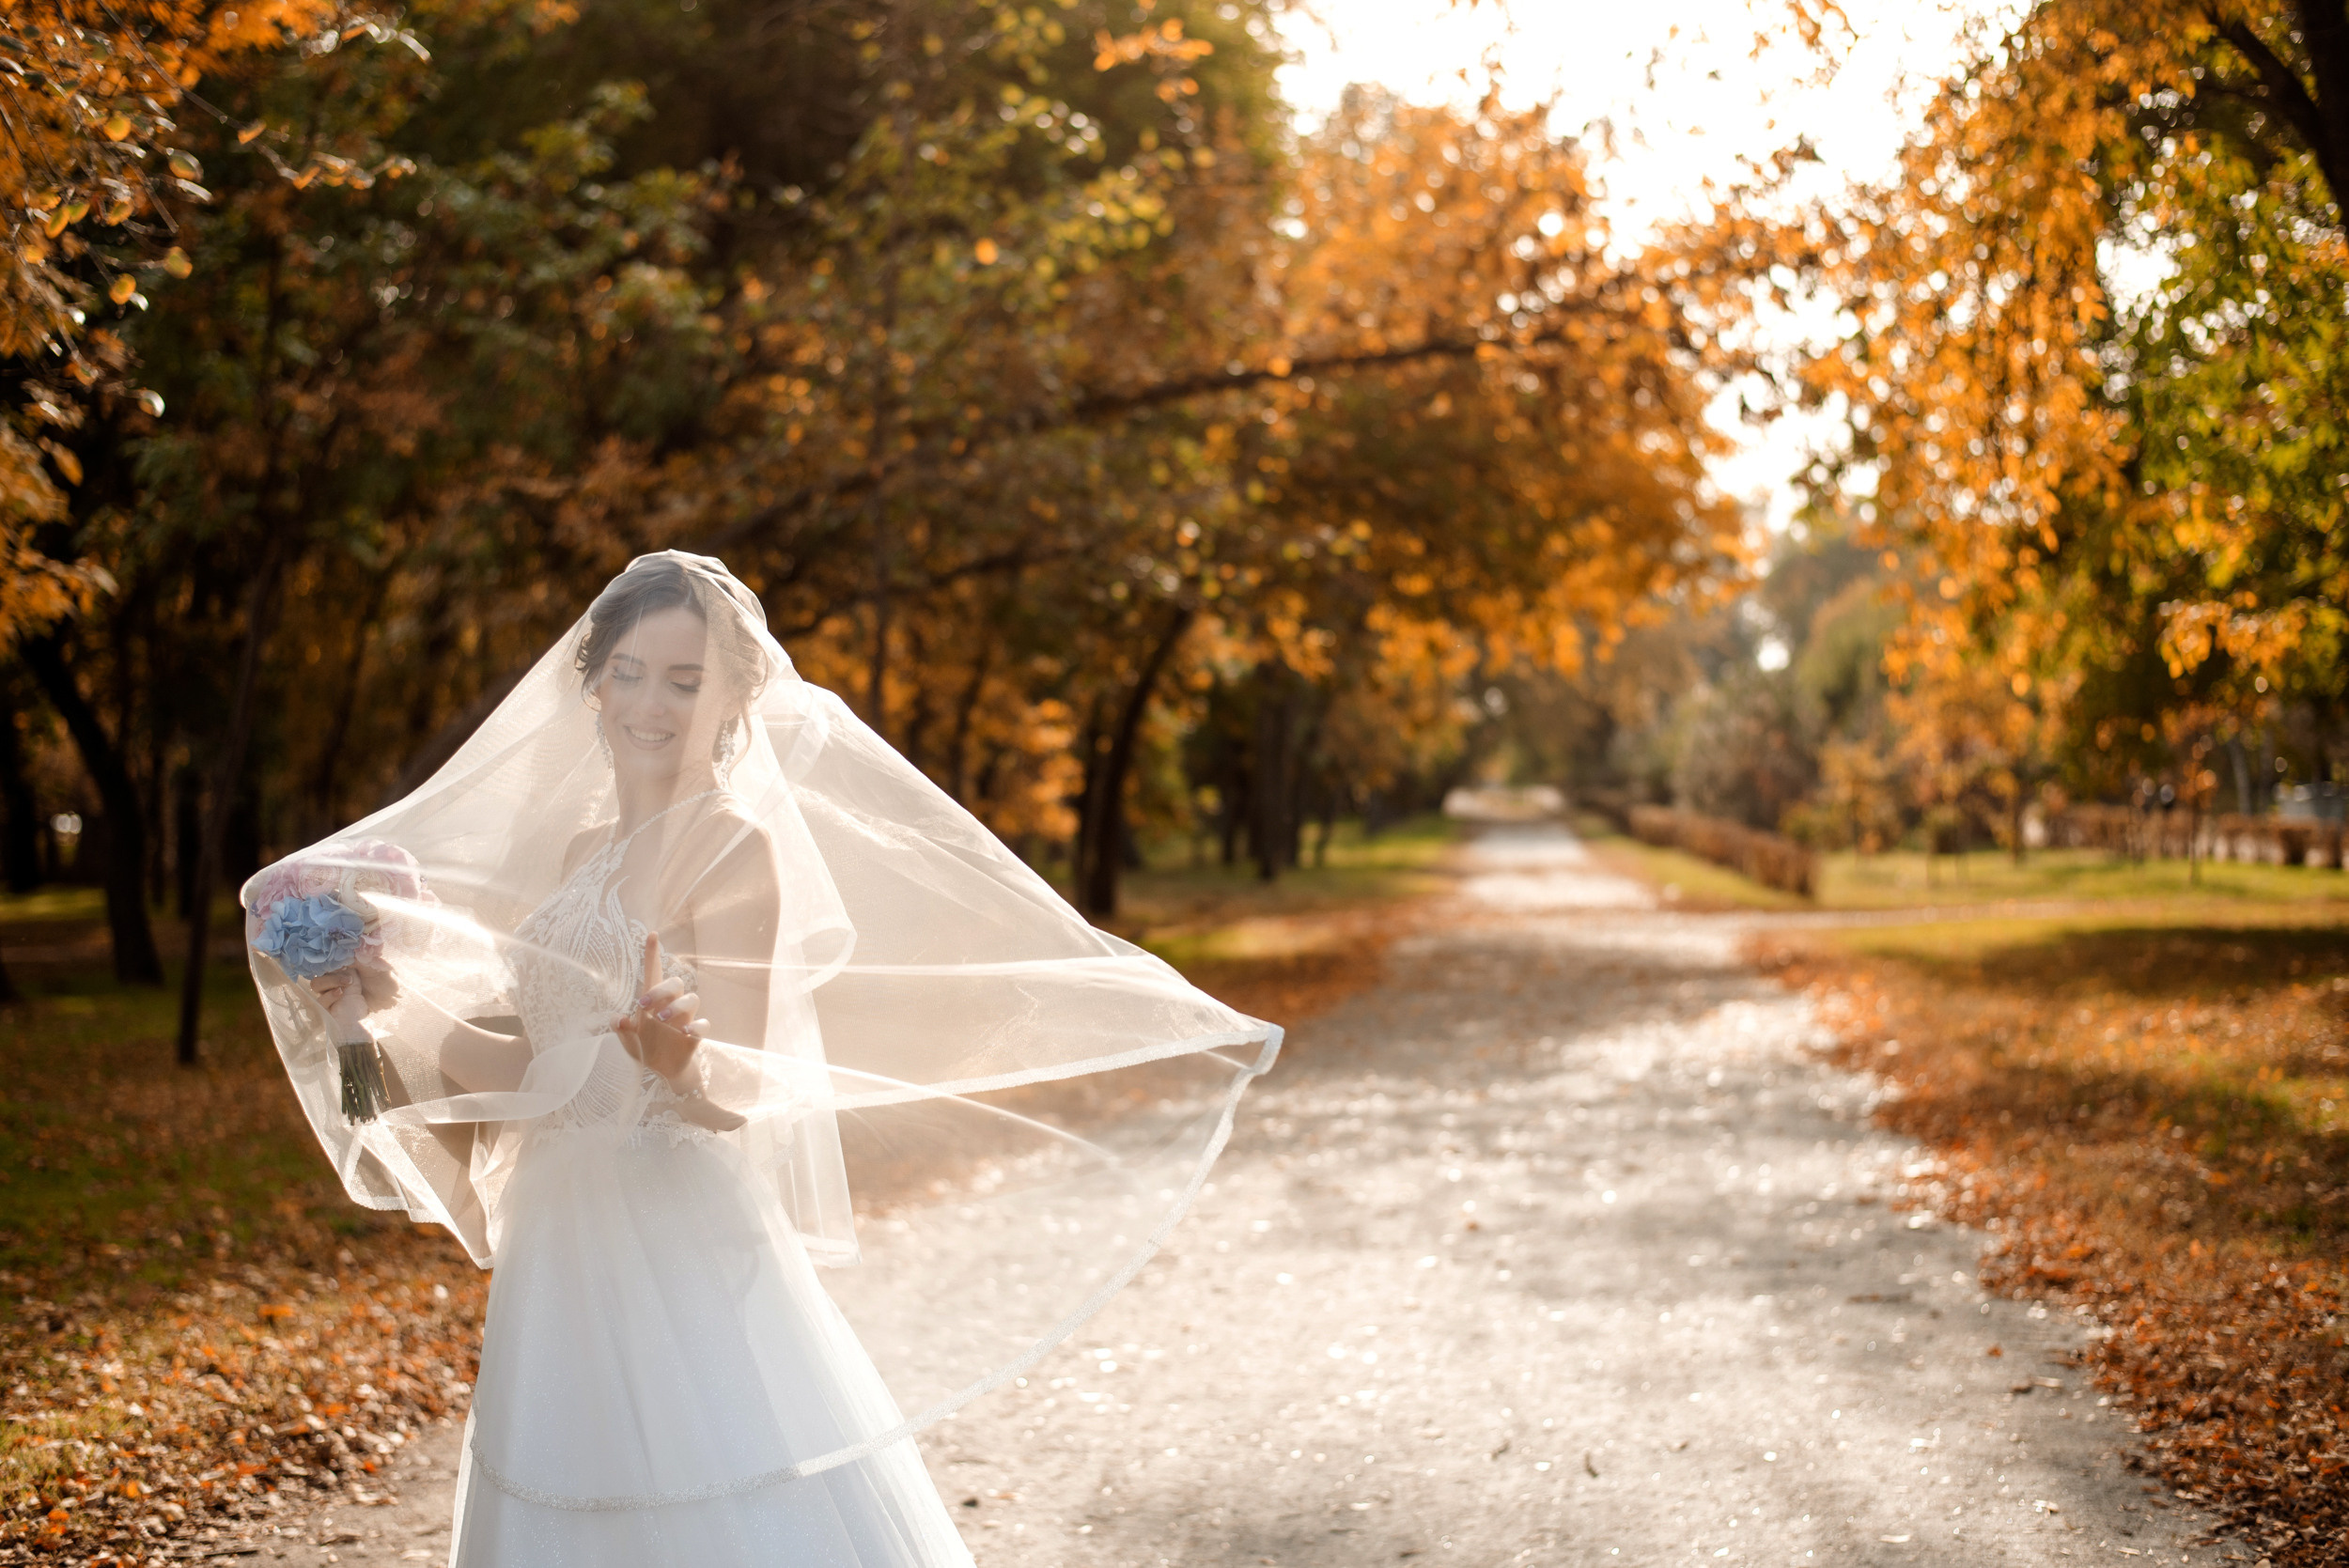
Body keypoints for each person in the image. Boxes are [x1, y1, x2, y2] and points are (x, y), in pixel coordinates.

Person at [242, 552, 1280, 1567]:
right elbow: (525, 1068)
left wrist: (680, 1068)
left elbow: (742, 1090)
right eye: (632, 672)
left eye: (686, 680)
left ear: (735, 694)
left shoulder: (734, 850)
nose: (653, 702)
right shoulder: (576, 858)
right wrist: (374, 1010)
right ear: (594, 682)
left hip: (670, 1233)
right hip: (559, 1243)